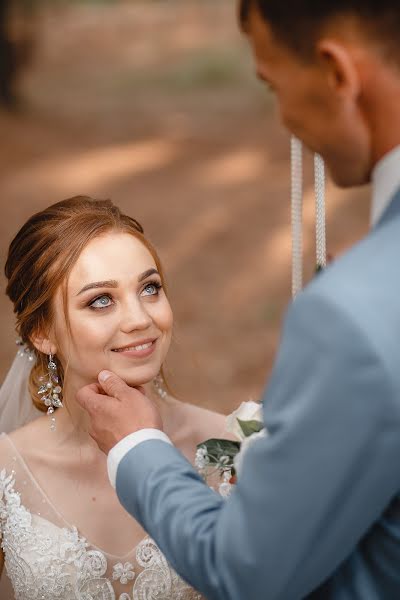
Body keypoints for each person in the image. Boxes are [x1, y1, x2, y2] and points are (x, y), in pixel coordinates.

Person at [77, 1, 400, 599]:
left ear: (337, 73)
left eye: (273, 84)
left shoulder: (355, 310)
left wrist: (136, 445)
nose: (285, 119)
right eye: (99, 300)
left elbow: (248, 570)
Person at [0, 196, 230, 600]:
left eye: (150, 288)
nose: (141, 319)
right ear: (42, 333)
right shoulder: (7, 471)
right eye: (101, 300)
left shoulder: (228, 445)